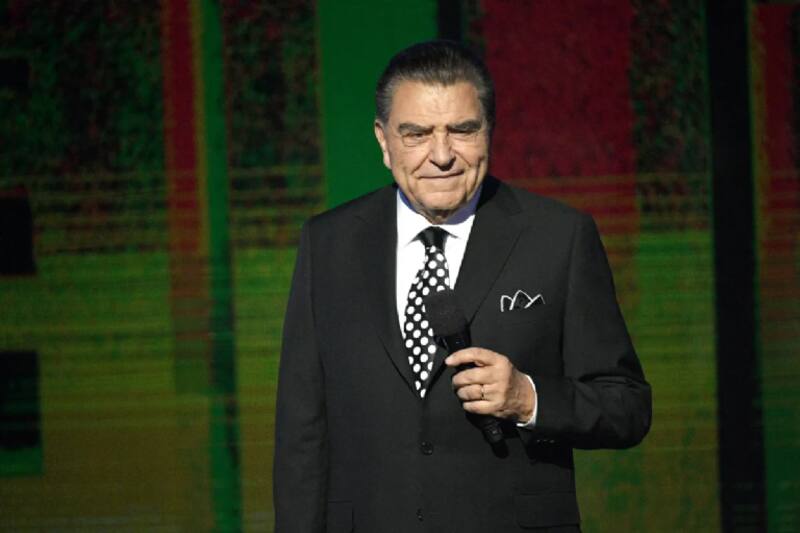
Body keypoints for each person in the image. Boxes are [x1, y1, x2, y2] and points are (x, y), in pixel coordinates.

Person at [274, 40, 651, 532]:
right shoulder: (328, 244)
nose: (442, 155)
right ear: (384, 141)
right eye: (417, 134)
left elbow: (627, 407)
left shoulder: (559, 238)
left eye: (462, 130)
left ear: (489, 131)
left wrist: (528, 397)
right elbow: (302, 432)